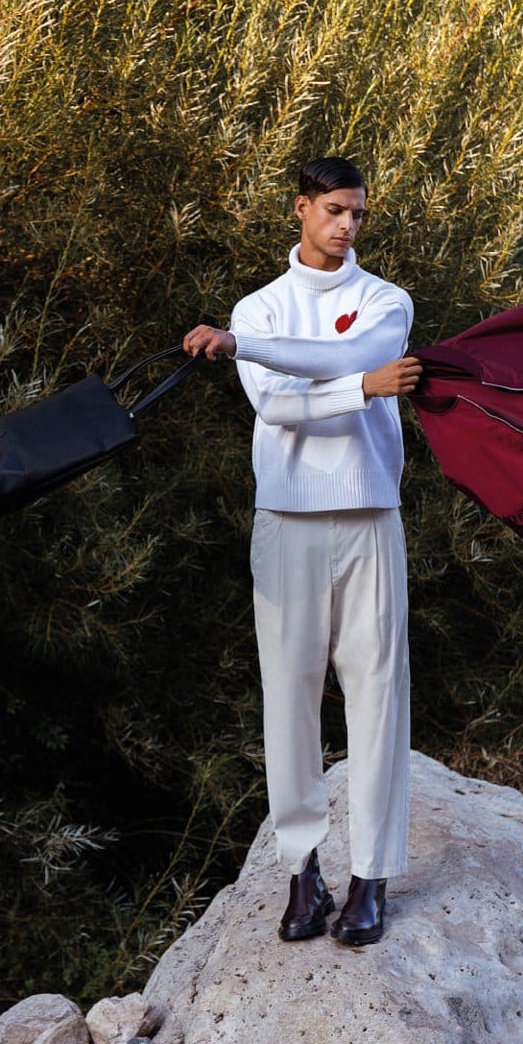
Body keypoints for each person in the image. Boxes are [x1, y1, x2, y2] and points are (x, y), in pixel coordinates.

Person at [183, 156, 420, 947]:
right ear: (301, 208)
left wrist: (251, 348)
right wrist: (363, 389)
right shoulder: (258, 309)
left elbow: (336, 361)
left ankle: (371, 878)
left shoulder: (385, 300)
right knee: (288, 696)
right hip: (286, 516)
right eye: (334, 210)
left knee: (377, 692)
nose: (347, 225)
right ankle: (302, 872)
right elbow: (279, 407)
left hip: (369, 514)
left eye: (358, 213)